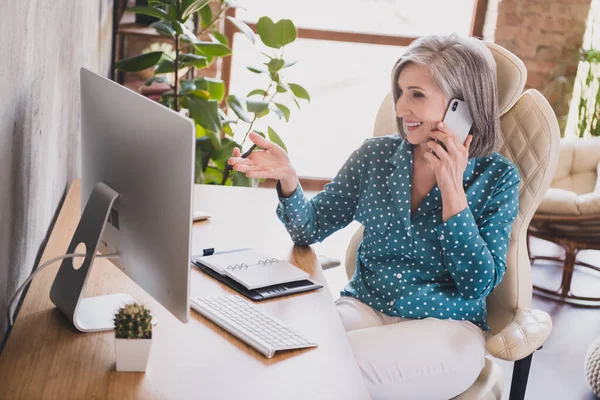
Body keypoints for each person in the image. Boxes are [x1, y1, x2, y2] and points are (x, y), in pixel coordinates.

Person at [228, 34, 521, 399]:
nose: (400, 109)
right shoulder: (375, 156)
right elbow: (309, 228)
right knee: (281, 351)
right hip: (365, 307)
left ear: (461, 105)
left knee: (323, 371)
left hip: (448, 329)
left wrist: (452, 192)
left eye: (417, 95)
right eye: (400, 92)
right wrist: (288, 179)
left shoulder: (498, 177)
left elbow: (476, 284)